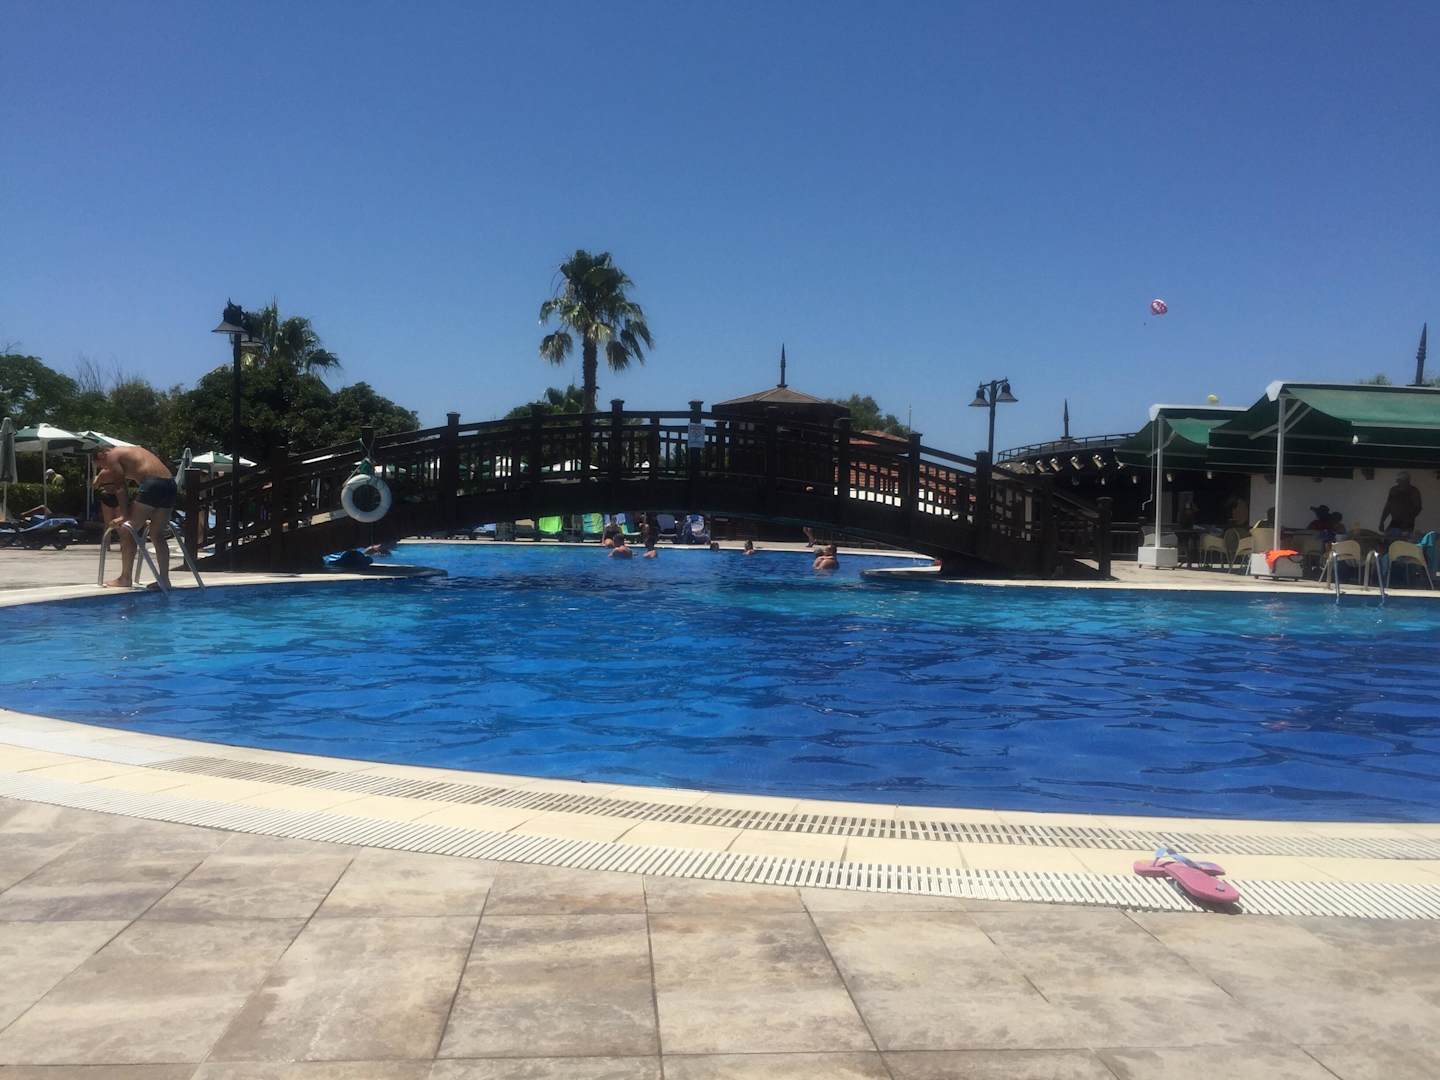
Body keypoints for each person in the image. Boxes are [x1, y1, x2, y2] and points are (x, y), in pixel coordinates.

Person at [93, 445, 176, 590]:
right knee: (157, 534)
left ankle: (125, 578)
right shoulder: (132, 450)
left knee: (127, 530)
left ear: (101, 455)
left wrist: (125, 515)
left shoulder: (112, 455)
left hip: (152, 484)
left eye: (102, 465)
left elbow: (120, 487)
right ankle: (164, 579)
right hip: (170, 484)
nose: (105, 468)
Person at [1379, 472, 1422, 537]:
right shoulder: (1393, 490)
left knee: (1403, 541)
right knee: (1387, 538)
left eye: (1400, 480)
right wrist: (1382, 522)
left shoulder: (1414, 491)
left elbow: (1418, 508)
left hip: (1407, 524)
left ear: (1407, 481)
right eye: (1398, 480)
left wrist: (1408, 519)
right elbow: (1388, 507)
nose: (1398, 482)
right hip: (1395, 521)